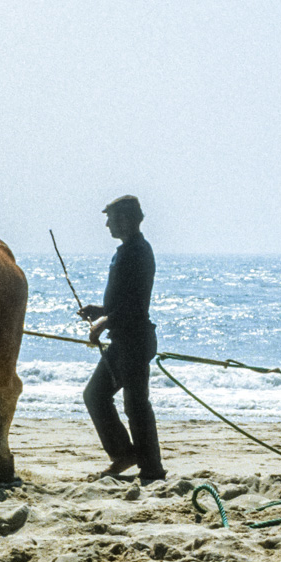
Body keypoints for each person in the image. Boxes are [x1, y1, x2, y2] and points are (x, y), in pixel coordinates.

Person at [79, 195, 166, 482]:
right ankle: (126, 454)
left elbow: (136, 306)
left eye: (112, 218)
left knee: (136, 404)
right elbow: (125, 303)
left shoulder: (139, 251)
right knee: (96, 396)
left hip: (135, 340)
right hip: (123, 340)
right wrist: (101, 311)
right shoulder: (125, 251)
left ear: (127, 219)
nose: (107, 224)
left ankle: (151, 468)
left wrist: (105, 320)